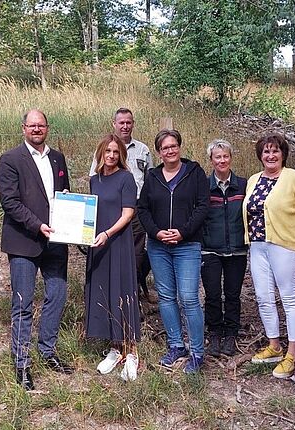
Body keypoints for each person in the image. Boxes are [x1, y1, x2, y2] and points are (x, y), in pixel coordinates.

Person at [0, 109, 73, 391]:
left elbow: (66, 195)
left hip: (56, 241)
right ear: (23, 128)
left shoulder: (57, 157)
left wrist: (72, 223)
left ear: (47, 128)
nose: (37, 129)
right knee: (22, 303)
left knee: (56, 296)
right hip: (24, 242)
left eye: (41, 125)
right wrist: (38, 225)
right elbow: (10, 202)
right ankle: (22, 363)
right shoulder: (10, 159)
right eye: (32, 125)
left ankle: (48, 350)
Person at [138, 129, 209, 373]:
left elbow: (202, 206)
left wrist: (183, 232)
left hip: (187, 245)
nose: (170, 151)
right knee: (167, 297)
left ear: (180, 147)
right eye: (165, 148)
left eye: (173, 146)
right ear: (159, 152)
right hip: (158, 246)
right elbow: (142, 209)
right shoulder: (152, 176)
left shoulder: (195, 173)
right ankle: (176, 345)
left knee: (188, 297)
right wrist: (156, 232)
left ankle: (197, 352)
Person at [244, 133, 295, 379]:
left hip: (284, 245)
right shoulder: (253, 180)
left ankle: (294, 352)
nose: (270, 156)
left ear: (283, 154)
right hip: (257, 245)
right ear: (260, 156)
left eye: (275, 151)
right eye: (266, 152)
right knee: (264, 296)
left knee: (290, 297)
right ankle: (274, 345)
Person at [85, 134, 141, 381]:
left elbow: (127, 214)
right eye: (107, 151)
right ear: (100, 153)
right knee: (104, 292)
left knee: (122, 292)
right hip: (98, 244)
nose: (111, 155)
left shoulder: (126, 178)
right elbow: (89, 209)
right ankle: (115, 349)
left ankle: (132, 352)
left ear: (121, 155)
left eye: (115, 152)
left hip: (117, 243)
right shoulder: (94, 180)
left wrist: (108, 233)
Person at [88, 108, 154, 303]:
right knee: (110, 256)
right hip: (109, 212)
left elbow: (149, 180)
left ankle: (131, 300)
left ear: (133, 124)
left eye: (129, 122)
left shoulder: (143, 149)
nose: (125, 126)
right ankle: (110, 299)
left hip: (135, 213)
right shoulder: (103, 149)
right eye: (121, 123)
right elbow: (95, 179)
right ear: (114, 124)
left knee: (136, 257)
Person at [200, 139, 248, 358]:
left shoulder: (243, 185)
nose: (222, 160)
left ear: (231, 158)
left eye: (225, 156)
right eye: (217, 157)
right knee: (212, 294)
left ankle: (231, 333)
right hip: (210, 250)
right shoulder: (203, 187)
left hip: (237, 249)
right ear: (211, 160)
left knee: (232, 294)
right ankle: (215, 333)